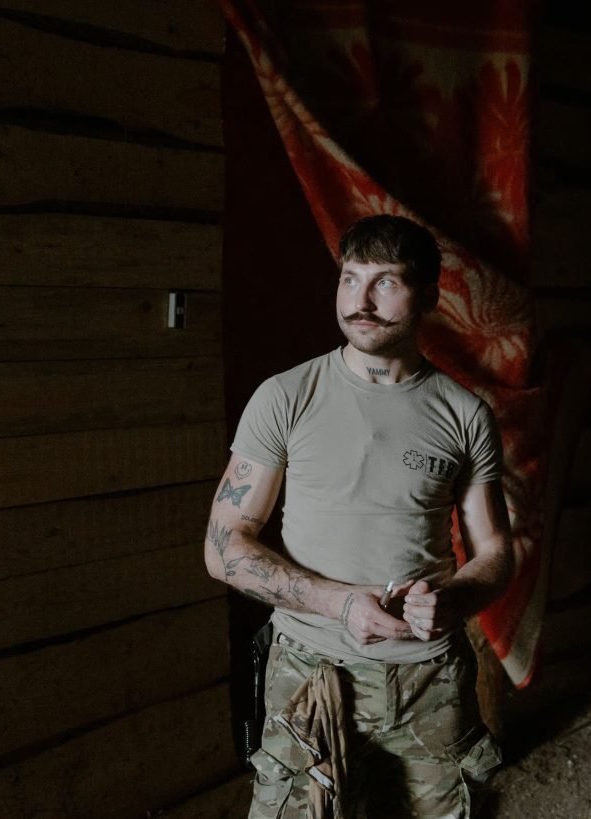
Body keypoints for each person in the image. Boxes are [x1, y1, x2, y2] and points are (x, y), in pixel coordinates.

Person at [204, 214, 513, 818]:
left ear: (429, 296)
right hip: (310, 674)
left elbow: (497, 552)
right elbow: (223, 548)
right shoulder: (285, 397)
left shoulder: (465, 415)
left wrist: (453, 599)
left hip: (430, 681)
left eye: (385, 282)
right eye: (350, 279)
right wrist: (339, 604)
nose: (360, 301)